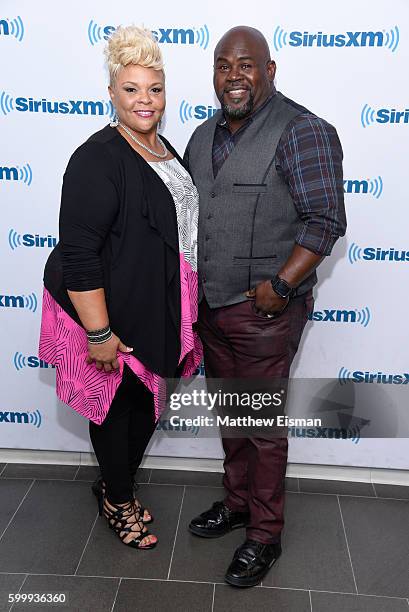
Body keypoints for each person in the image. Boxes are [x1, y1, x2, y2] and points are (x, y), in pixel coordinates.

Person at [184, 26, 346, 587]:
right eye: (224, 65)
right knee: (233, 415)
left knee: (262, 423)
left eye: (246, 65)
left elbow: (324, 221)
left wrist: (281, 284)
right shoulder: (201, 136)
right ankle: (236, 505)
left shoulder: (302, 130)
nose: (234, 75)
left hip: (264, 313)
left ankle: (265, 533)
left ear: (270, 71)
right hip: (211, 309)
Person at [39, 25, 201, 550]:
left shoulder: (161, 146)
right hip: (112, 313)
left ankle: (116, 485)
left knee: (146, 403)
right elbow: (80, 254)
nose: (144, 100)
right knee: (118, 408)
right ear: (111, 93)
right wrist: (99, 331)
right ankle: (117, 497)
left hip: (156, 307)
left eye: (154, 89)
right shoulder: (97, 158)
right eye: (131, 89)